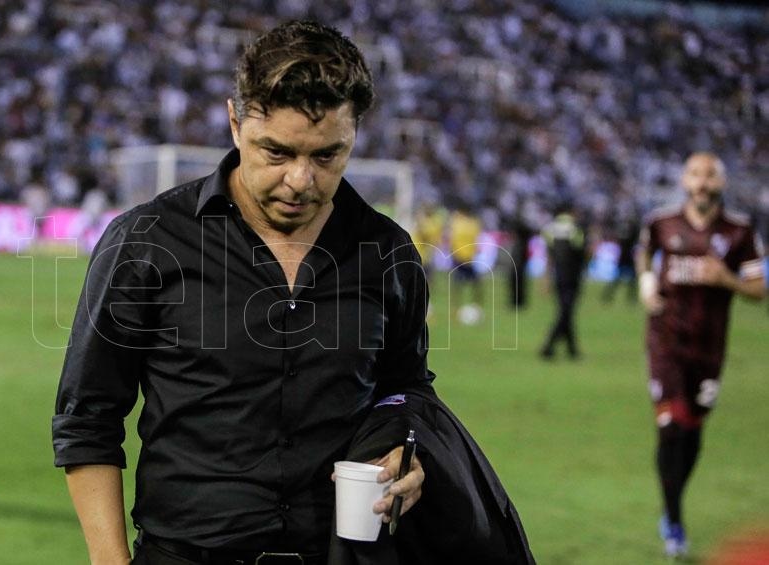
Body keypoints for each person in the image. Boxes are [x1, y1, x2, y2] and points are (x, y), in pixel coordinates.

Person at [53, 21, 530, 565]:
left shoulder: (389, 252)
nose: (301, 180)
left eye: (327, 156)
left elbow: (406, 387)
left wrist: (406, 452)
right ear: (235, 123)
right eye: (276, 153)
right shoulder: (147, 240)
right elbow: (87, 417)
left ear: (354, 135)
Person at [636, 152, 765, 558]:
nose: (702, 183)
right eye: (695, 174)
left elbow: (758, 289)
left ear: (721, 183)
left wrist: (726, 278)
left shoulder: (740, 232)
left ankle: (673, 505)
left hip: (709, 350)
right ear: (684, 182)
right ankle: (674, 522)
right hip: (665, 341)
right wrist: (646, 284)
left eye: (710, 175)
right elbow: (644, 252)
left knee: (691, 433)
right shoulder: (661, 223)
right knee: (670, 426)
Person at [538, 201, 588, 360]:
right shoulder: (576, 227)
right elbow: (583, 252)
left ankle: (572, 350)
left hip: (558, 276)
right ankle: (548, 346)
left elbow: (549, 256)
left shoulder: (550, 228)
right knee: (566, 312)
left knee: (566, 311)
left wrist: (546, 278)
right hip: (573, 276)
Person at [446, 201, 484, 322]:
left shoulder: (457, 223)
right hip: (463, 258)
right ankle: (464, 308)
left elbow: (452, 241)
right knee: (468, 284)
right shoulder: (472, 223)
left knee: (462, 285)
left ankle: (460, 308)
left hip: (464, 258)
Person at [601, 194, 640, 304]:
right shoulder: (633, 227)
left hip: (623, 254)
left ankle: (609, 296)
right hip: (627, 255)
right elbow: (636, 240)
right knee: (629, 279)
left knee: (620, 279)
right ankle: (630, 298)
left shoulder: (621, 227)